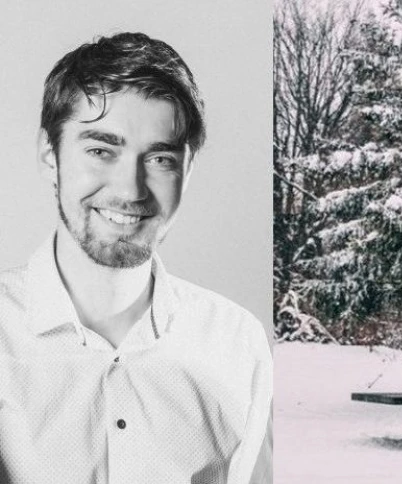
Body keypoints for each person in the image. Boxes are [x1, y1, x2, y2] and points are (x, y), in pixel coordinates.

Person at [0, 32, 272, 484]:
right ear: (50, 155)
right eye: (101, 150)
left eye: (160, 159)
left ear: (189, 169)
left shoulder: (237, 343)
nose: (130, 190)